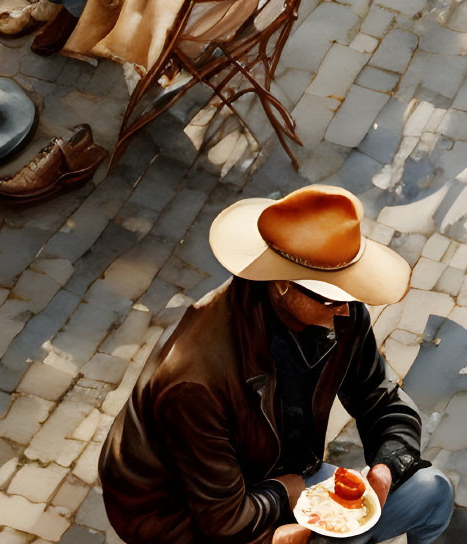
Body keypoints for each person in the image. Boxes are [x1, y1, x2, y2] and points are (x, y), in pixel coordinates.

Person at [101, 183, 454, 544]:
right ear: (284, 285)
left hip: (279, 482)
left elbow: (379, 400)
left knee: (432, 490)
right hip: (188, 522)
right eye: (333, 298)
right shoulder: (194, 381)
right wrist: (288, 494)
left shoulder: (339, 312)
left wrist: (387, 465)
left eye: (350, 291)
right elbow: (224, 523)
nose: (348, 309)